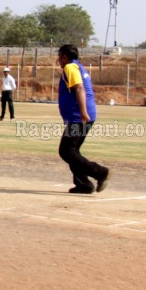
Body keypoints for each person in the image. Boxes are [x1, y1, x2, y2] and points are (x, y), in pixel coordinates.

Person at [56, 44, 109, 194]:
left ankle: (100, 172)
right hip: (83, 116)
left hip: (79, 117)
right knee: (73, 152)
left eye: (59, 57)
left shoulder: (70, 68)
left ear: (65, 57)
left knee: (66, 151)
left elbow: (79, 88)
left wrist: (83, 112)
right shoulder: (79, 67)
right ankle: (83, 185)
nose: (58, 60)